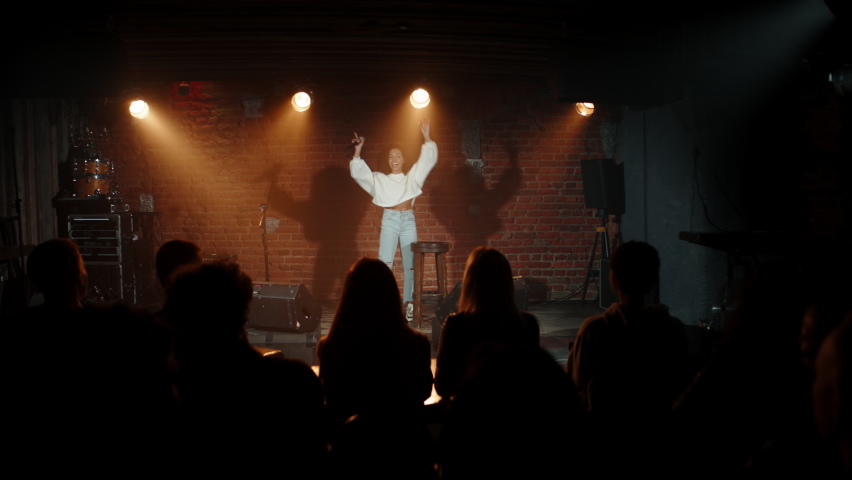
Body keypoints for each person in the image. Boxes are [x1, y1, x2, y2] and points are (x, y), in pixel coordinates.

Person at [315, 258, 433, 429]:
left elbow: (329, 398)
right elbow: (424, 392)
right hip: (407, 447)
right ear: (392, 294)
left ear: (348, 296)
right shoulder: (417, 344)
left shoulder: (331, 347)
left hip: (348, 447)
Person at [349, 119, 437, 320]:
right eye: (391, 156)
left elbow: (427, 161)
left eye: (398, 156)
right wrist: (357, 150)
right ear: (388, 161)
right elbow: (360, 174)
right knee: (385, 263)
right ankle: (381, 304)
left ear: (404, 159)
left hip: (408, 221)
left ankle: (410, 304)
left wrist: (426, 135)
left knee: (411, 264)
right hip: (389, 220)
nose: (394, 159)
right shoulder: (380, 179)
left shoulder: (412, 177)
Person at [434, 247, 540, 398]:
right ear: (508, 282)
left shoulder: (456, 324)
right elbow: (534, 382)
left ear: (470, 282)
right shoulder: (528, 324)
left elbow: (443, 386)